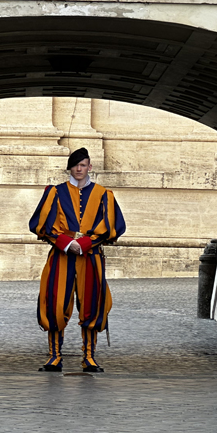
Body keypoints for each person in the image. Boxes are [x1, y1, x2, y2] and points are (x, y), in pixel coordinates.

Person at [29, 147, 126, 372]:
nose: (79, 169)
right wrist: (66, 243)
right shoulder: (55, 192)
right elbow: (42, 224)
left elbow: (112, 226)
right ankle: (54, 356)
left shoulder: (104, 194)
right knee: (55, 303)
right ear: (70, 168)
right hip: (61, 256)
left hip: (90, 256)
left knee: (91, 304)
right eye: (75, 165)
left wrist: (84, 244)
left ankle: (89, 357)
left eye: (83, 165)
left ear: (89, 167)